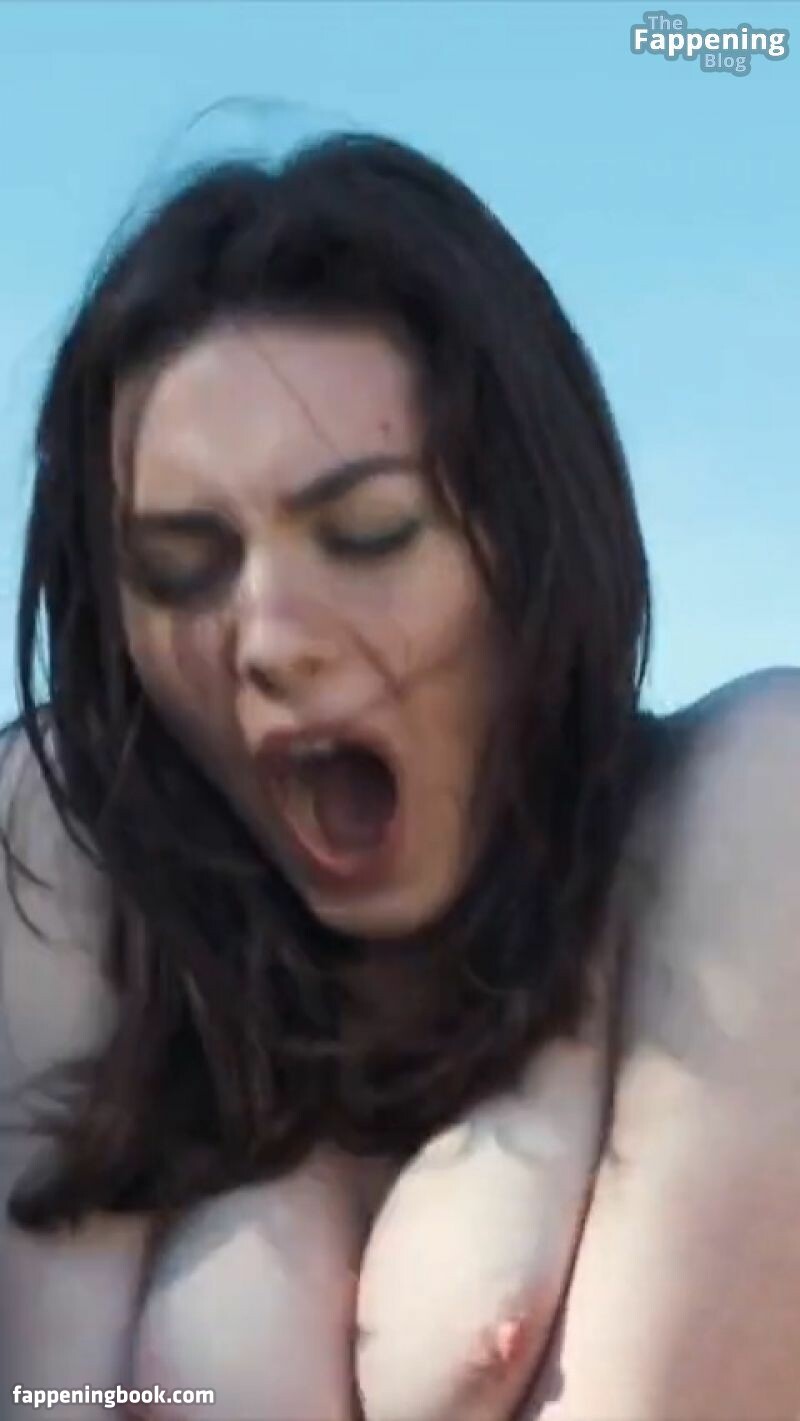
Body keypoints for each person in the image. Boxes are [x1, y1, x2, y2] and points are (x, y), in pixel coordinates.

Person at [0, 129, 797, 1421]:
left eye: (367, 533)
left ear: (533, 543)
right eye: (181, 565)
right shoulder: (66, 851)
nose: (268, 639)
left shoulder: (754, 801)